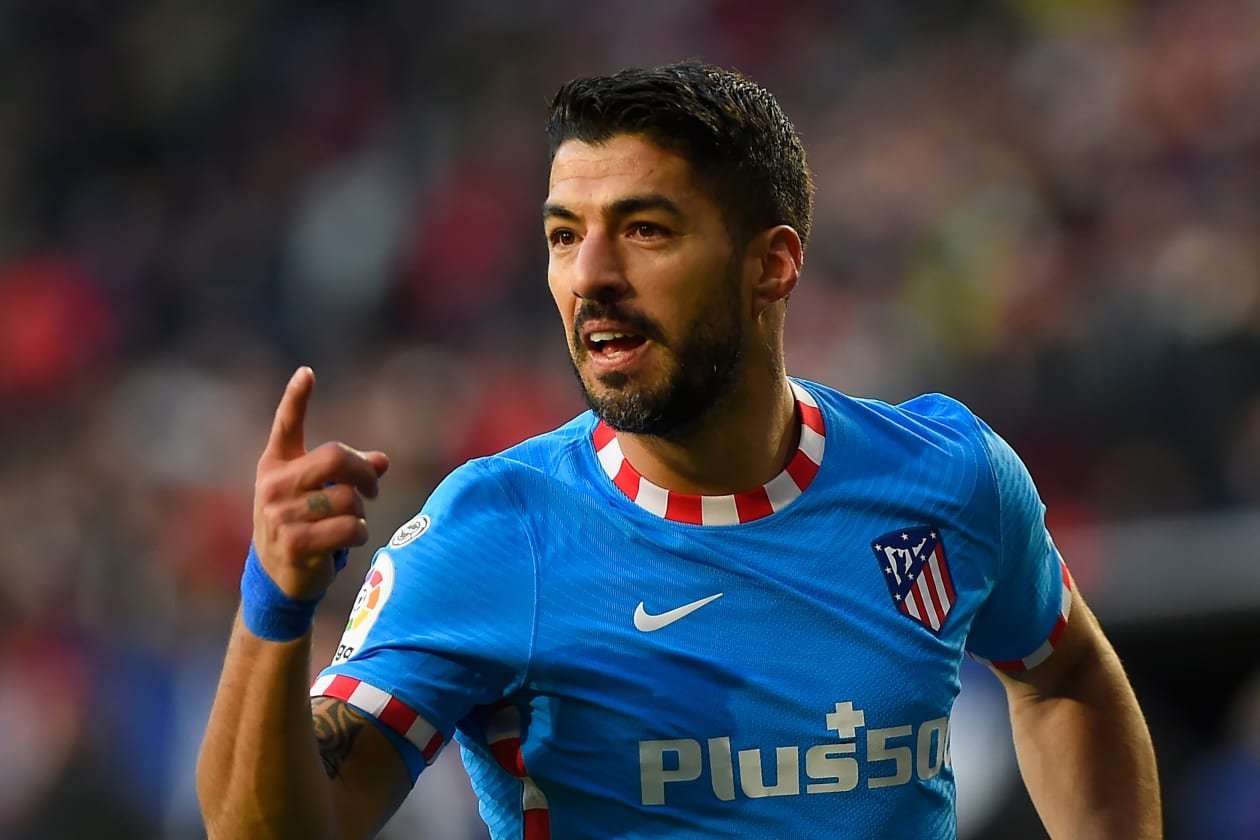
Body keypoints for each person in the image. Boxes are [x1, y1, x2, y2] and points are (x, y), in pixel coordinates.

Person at [196, 60, 1162, 839]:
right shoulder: (493, 532)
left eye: (645, 230)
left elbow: (1064, 677)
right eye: (563, 236)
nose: (591, 276)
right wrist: (273, 602)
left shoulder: (946, 479)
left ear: (771, 265)